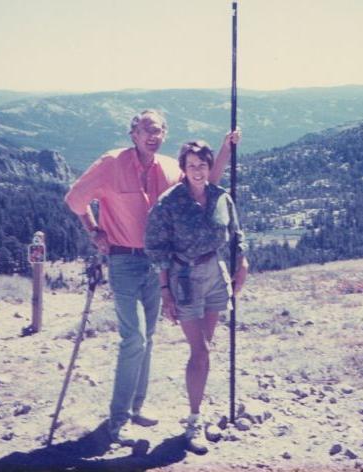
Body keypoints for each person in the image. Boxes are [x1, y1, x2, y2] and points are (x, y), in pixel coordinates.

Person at [64, 110, 240, 447]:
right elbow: (75, 200)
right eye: (146, 129)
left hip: (160, 264)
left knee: (149, 338)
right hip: (125, 259)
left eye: (158, 130)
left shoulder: (169, 167)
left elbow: (204, 180)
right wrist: (93, 229)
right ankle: (119, 422)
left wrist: (225, 149)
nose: (152, 135)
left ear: (164, 134)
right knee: (135, 339)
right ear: (133, 133)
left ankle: (136, 408)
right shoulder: (111, 163)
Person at [144, 140, 248, 455]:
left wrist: (241, 260)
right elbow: (157, 248)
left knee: (206, 349)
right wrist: (165, 291)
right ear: (184, 168)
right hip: (184, 279)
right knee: (200, 351)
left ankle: (197, 409)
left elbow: (236, 232)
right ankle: (194, 421)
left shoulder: (220, 198)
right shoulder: (168, 203)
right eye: (192, 165)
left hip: (215, 276)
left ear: (208, 166)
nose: (198, 171)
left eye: (203, 164)